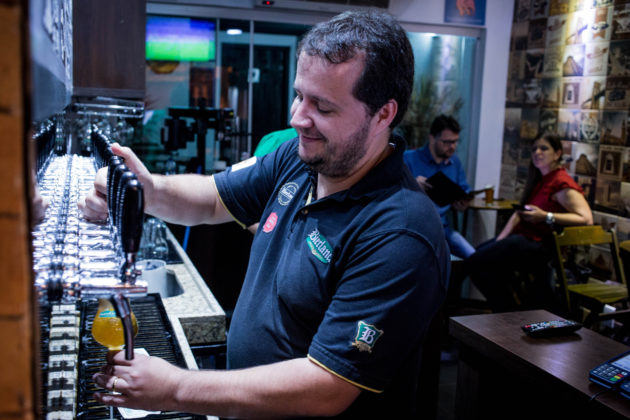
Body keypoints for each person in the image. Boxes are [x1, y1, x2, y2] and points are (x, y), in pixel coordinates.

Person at [79, 10, 449, 418]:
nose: (297, 118)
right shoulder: (300, 157)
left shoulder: (400, 233)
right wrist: (145, 193)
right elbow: (212, 198)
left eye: (323, 107)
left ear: (383, 114)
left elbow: (326, 387)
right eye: (299, 95)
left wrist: (177, 388)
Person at [464, 132, 593, 313]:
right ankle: (508, 311)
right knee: (475, 257)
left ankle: (507, 313)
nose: (537, 153)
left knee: (477, 262)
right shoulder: (540, 179)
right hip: (523, 240)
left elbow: (586, 219)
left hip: (540, 245)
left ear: (557, 154)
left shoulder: (560, 182)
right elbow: (519, 214)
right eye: (534, 149)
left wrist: (546, 216)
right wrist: (499, 240)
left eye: (543, 148)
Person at [403, 115, 475, 258]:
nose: (452, 147)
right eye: (447, 142)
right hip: (413, 230)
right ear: (432, 139)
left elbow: (464, 189)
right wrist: (412, 184)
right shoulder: (408, 158)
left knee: (476, 258)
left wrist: (462, 202)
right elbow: (388, 190)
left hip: (443, 229)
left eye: (455, 142)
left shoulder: (454, 162)